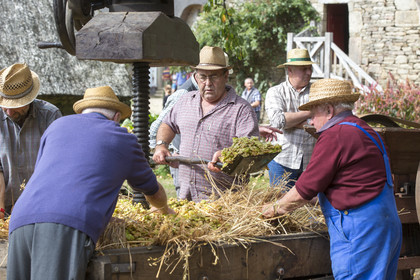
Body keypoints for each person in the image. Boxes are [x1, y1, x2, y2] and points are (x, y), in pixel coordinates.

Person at [7, 86, 174, 280]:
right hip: (64, 226)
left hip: (20, 219)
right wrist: (163, 209)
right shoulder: (123, 139)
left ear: (83, 112)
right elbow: (154, 192)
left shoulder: (56, 126)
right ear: (116, 117)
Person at [262, 79, 402, 279]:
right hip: (386, 225)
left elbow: (305, 189)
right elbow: (353, 183)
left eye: (313, 115)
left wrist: (274, 208)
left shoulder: (336, 134)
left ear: (329, 110)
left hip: (360, 232)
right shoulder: (366, 130)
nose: (311, 122)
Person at [152, 46, 259, 202]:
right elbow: (167, 124)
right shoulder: (185, 101)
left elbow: (251, 148)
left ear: (225, 76)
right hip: (186, 199)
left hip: (224, 203)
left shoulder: (241, 109)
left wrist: (229, 154)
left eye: (214, 76)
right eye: (203, 77)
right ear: (195, 77)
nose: (208, 83)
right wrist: (161, 145)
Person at [0, 63, 62, 218]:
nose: (8, 111)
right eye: (4, 105)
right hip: (5, 206)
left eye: (14, 106)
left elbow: (55, 165)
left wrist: (27, 202)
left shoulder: (49, 115)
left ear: (29, 100)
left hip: (42, 206)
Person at [265, 48, 317, 189]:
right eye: (304, 69)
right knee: (280, 206)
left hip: (310, 161)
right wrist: (309, 113)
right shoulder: (275, 91)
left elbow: (322, 122)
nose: (309, 72)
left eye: (310, 68)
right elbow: (278, 121)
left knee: (308, 207)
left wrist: (291, 121)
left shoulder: (317, 91)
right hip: (282, 160)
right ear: (290, 70)